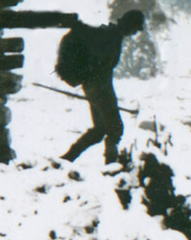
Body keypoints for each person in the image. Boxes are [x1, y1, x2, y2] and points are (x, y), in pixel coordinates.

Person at [57, 10, 145, 164]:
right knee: (115, 128)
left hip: (95, 87)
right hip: (100, 88)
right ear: (130, 25)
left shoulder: (111, 35)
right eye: (135, 28)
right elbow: (98, 64)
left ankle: (67, 158)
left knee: (100, 129)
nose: (135, 32)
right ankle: (111, 168)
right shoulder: (110, 36)